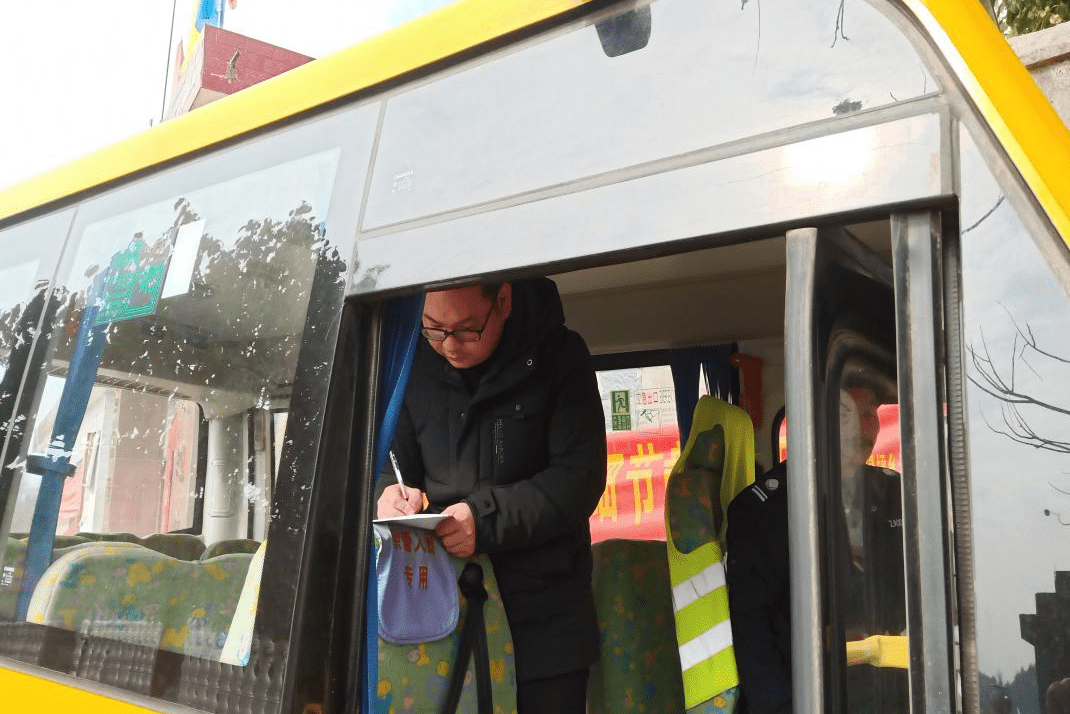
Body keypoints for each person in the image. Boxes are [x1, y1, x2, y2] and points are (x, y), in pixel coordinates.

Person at [376, 277, 607, 714]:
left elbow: (579, 479)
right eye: (433, 328)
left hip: (543, 619)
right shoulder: (410, 360)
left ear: (503, 300)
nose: (448, 345)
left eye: (466, 329)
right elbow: (391, 462)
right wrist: (388, 493)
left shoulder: (560, 356)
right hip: (438, 609)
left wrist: (484, 520)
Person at [725, 384, 906, 714]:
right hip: (812, 696)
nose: (863, 426)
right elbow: (752, 635)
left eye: (870, 412)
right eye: (845, 412)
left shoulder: (896, 493)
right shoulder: (764, 510)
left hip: (896, 693)